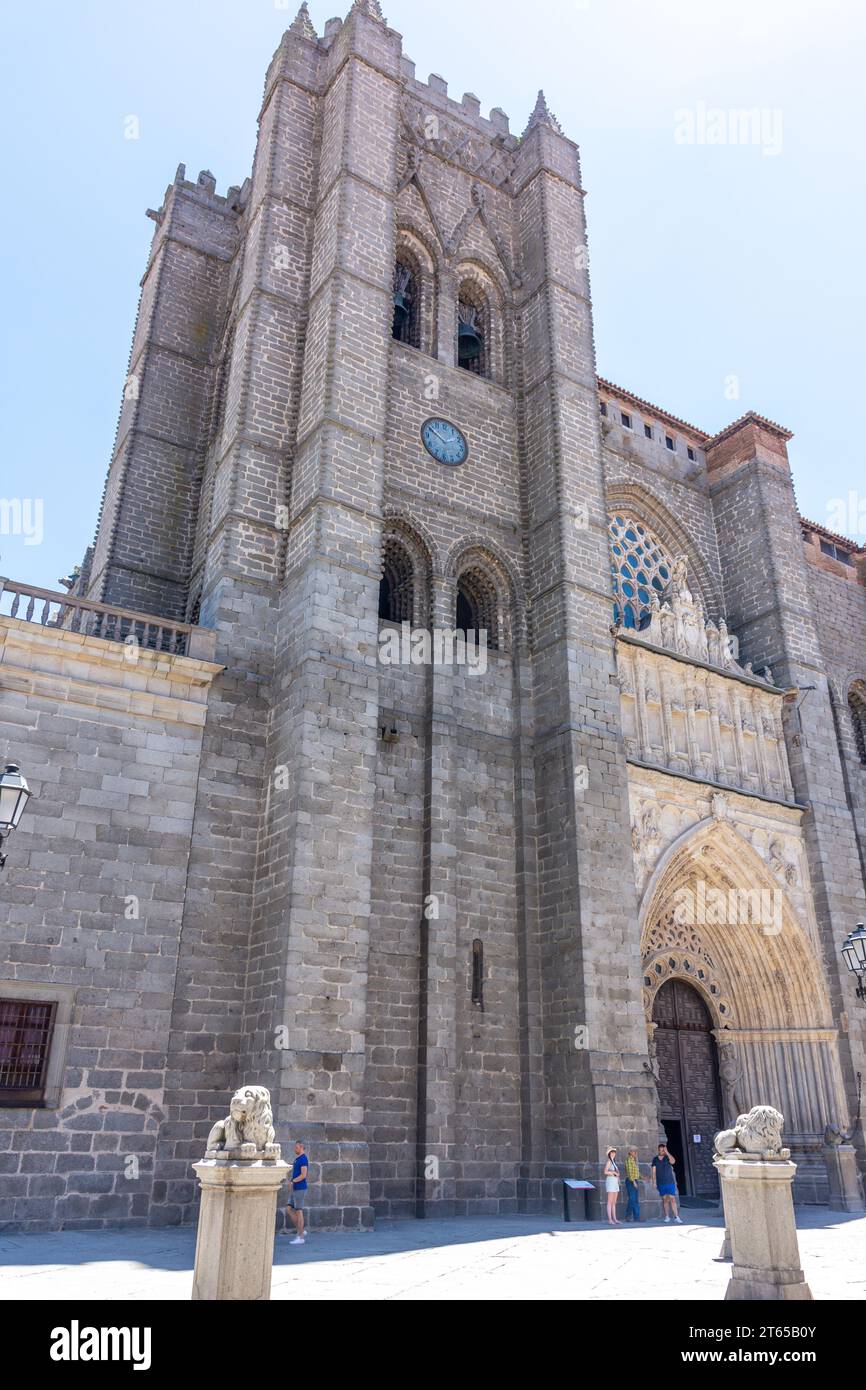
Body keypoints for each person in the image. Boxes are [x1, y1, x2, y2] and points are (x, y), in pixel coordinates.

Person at [283, 1140, 309, 1244]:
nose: (295, 1149)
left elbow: (303, 1175)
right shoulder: (297, 1159)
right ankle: (301, 1230)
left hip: (300, 1188)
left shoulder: (303, 1159)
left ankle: (301, 1237)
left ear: (301, 1147)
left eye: (297, 1147)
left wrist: (293, 1181)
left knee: (299, 1211)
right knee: (289, 1209)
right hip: (295, 1189)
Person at [651, 1141, 682, 1223]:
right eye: (660, 1150)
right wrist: (654, 1182)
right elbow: (654, 1172)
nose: (661, 1151)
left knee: (672, 1199)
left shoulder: (667, 1157)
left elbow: (673, 1161)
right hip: (661, 1182)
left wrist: (667, 1152)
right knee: (665, 1200)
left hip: (670, 1181)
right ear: (658, 1150)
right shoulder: (655, 1159)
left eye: (663, 1150)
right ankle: (667, 1216)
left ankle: (676, 1217)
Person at [603, 1147, 621, 1225]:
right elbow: (605, 1172)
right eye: (612, 1152)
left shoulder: (613, 1162)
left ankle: (615, 1219)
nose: (613, 1153)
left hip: (615, 1182)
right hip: (610, 1181)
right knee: (610, 1201)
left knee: (614, 1202)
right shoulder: (609, 1162)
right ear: (609, 1154)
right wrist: (613, 1172)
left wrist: (617, 1176)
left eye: (614, 1152)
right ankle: (610, 1219)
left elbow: (616, 1173)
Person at [624, 1146, 641, 1222]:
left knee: (635, 1199)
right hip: (631, 1181)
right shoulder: (628, 1160)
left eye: (636, 1151)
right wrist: (633, 1181)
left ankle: (637, 1217)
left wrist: (643, 1177)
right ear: (630, 1152)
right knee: (632, 1198)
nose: (635, 1153)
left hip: (634, 1180)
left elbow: (636, 1172)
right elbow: (629, 1172)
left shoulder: (634, 1160)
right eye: (634, 1151)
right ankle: (628, 1215)